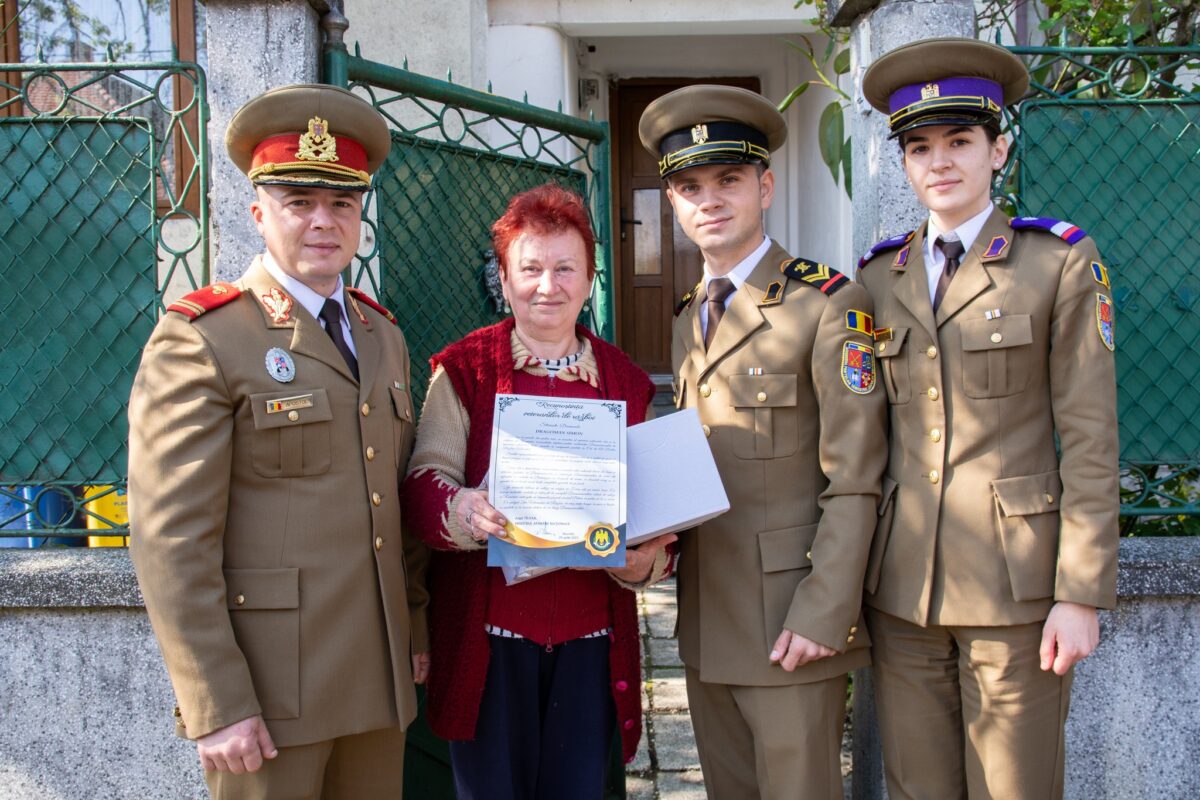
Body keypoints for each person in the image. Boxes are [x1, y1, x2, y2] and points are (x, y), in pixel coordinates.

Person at [128, 84, 430, 799]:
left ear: (360, 218)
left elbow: (397, 496)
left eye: (342, 204)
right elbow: (170, 538)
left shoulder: (383, 335)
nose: (323, 222)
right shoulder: (205, 337)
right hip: (267, 693)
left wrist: (415, 632)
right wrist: (216, 700)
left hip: (377, 677)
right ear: (259, 212)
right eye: (300, 202)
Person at [857, 37, 1119, 799]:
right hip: (904, 591)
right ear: (904, 163)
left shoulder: (1058, 262)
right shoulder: (881, 275)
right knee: (917, 788)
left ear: (998, 148)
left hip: (1019, 593)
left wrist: (1080, 592)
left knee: (1016, 789)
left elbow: (1092, 438)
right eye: (920, 146)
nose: (940, 161)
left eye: (960, 141)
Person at [638, 85, 888, 799]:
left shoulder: (826, 303)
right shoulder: (692, 315)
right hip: (707, 615)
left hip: (789, 619)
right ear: (674, 204)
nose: (709, 200)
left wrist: (825, 611)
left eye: (728, 180)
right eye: (689, 186)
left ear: (765, 186)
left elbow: (858, 476)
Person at [400, 183, 676, 800]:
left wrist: (645, 559)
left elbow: (658, 520)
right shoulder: (465, 368)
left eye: (564, 269)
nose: (547, 286)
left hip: (590, 647)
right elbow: (423, 484)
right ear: (503, 276)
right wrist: (463, 508)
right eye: (529, 268)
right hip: (490, 647)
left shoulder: (627, 383)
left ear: (588, 279)